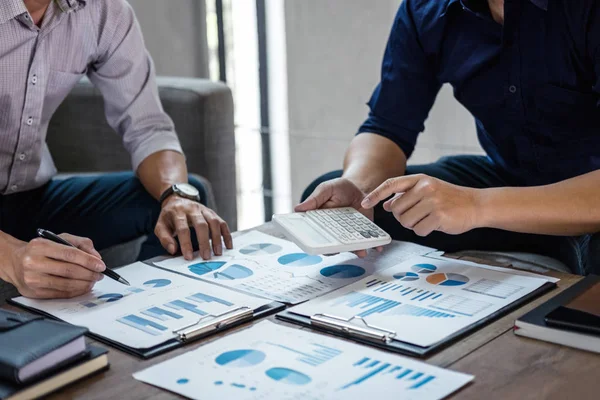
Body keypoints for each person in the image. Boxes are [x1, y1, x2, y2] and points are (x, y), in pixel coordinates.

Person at [298, 0, 600, 275]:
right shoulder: (426, 9)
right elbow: (387, 126)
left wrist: (476, 206)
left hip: (587, 199)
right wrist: (360, 187)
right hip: (508, 180)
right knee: (340, 205)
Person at [0, 0, 233, 299]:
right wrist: (11, 259)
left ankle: (146, 322)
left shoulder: (102, 11)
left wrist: (176, 195)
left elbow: (147, 126)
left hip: (30, 197)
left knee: (184, 207)